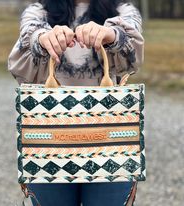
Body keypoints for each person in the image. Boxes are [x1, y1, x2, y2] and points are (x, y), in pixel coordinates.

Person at [8, 0, 144, 205]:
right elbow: (28, 39)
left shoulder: (123, 10)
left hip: (108, 145)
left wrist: (112, 35)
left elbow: (133, 53)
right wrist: (43, 39)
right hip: (51, 145)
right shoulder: (38, 11)